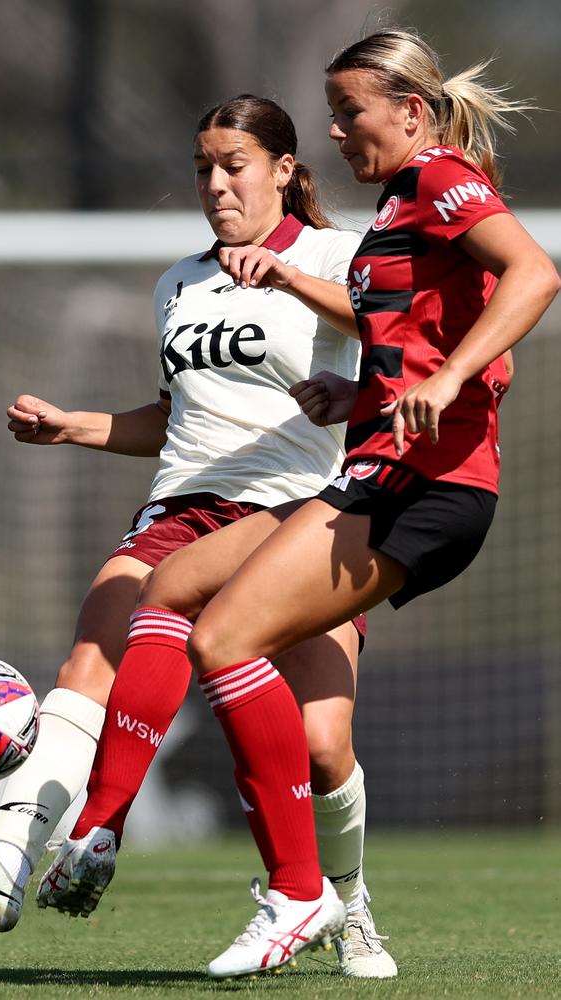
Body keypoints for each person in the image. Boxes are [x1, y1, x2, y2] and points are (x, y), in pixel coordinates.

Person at [37, 29, 559, 980]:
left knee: (222, 640)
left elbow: (536, 276)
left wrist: (449, 384)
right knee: (184, 597)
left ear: (410, 112)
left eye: (350, 109)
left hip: (430, 486)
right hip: (377, 471)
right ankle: (296, 888)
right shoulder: (401, 201)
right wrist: (355, 395)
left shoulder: (441, 177)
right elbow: (424, 335)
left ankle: (299, 893)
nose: (335, 126)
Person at [0, 94, 397, 978]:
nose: (216, 184)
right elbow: (178, 416)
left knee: (326, 747)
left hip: (300, 514)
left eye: (235, 165)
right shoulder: (178, 282)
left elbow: (393, 333)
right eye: (203, 168)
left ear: (285, 172)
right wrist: (77, 426)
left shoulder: (336, 257)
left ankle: (349, 904)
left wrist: (286, 277)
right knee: (84, 669)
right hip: (181, 507)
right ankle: (12, 866)